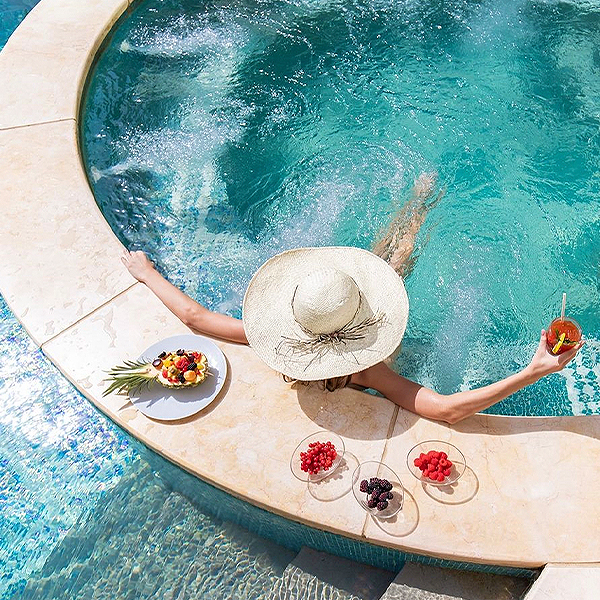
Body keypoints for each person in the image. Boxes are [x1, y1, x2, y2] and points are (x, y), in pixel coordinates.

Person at [121, 177, 583, 424]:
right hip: (366, 329)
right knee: (394, 262)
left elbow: (196, 317)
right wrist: (533, 371)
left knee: (393, 261)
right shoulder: (366, 370)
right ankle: (419, 206)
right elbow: (446, 410)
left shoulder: (275, 340)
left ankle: (418, 205)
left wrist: (148, 274)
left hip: (344, 324)